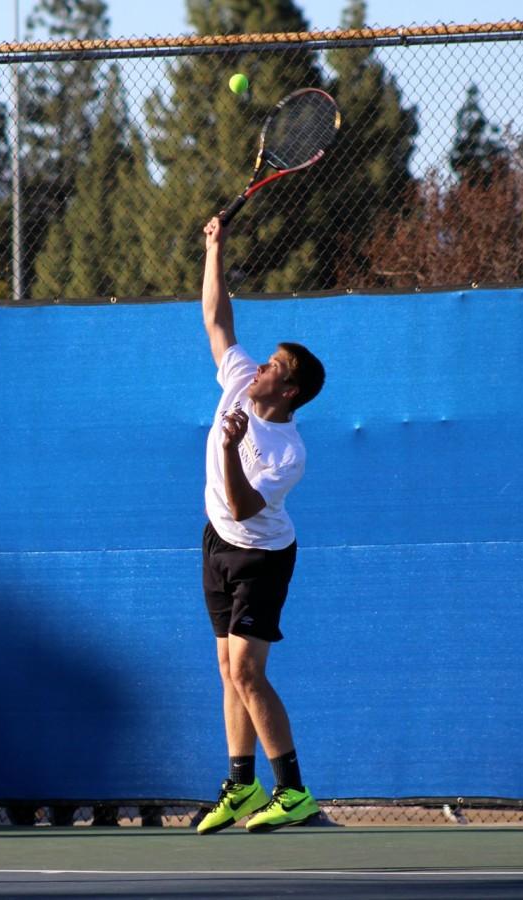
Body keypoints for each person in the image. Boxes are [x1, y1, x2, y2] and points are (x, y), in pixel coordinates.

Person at [197, 216, 326, 835]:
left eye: (274, 365)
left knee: (249, 671)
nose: (261, 366)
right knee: (227, 669)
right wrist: (215, 250)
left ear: (290, 388)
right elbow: (218, 321)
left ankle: (293, 791)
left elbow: (247, 506)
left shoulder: (286, 450)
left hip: (261, 556)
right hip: (217, 543)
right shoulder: (242, 381)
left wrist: (228, 447)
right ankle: (241, 785)